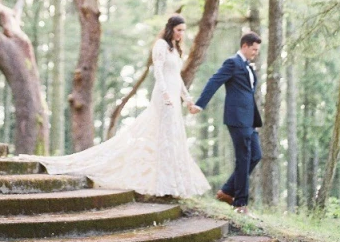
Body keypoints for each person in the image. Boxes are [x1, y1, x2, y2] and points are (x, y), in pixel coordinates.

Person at [36, 15, 210, 198]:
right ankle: (163, 184)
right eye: (178, 30)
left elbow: (177, 77)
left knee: (173, 137)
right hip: (163, 96)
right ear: (170, 29)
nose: (181, 34)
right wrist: (165, 93)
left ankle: (173, 183)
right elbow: (158, 71)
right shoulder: (161, 45)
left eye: (183, 30)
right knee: (164, 137)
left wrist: (187, 98)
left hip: (174, 97)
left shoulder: (176, 49)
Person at [189, 31, 263, 214]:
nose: (255, 53)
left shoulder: (248, 66)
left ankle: (227, 191)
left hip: (249, 119)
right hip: (237, 118)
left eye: (257, 50)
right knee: (244, 157)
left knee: (256, 155)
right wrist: (200, 104)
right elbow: (214, 81)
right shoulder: (232, 63)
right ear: (244, 46)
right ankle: (240, 204)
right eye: (253, 49)